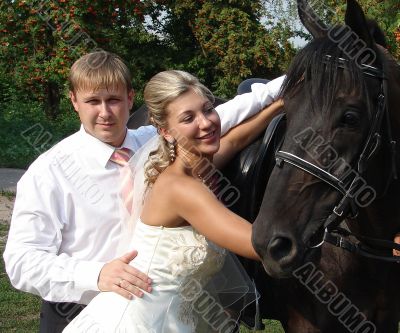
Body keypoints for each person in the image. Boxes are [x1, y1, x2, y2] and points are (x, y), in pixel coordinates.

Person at [3, 51, 285, 332]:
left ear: (129, 98)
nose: (104, 112)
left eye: (113, 100)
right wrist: (96, 274)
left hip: (163, 312)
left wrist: (290, 85)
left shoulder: (152, 142)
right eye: (92, 101)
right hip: (80, 308)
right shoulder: (50, 171)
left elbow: (226, 118)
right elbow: (21, 262)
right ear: (74, 101)